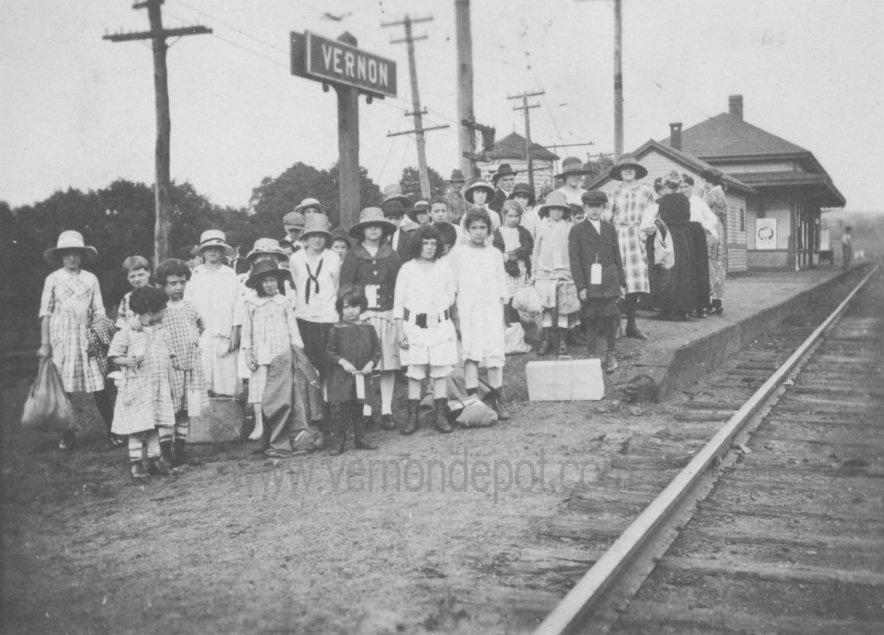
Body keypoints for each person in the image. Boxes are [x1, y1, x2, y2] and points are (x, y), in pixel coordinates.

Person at [38, 231, 115, 451]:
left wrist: (97, 335)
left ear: (82, 256)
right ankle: (68, 434)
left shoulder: (90, 278)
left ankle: (113, 431)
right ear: (60, 256)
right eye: (67, 254)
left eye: (76, 254)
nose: (71, 258)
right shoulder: (53, 279)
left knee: (99, 386)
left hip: (87, 335)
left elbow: (99, 309)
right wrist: (45, 344)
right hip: (63, 336)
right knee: (65, 389)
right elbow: (46, 312)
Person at [340, 207, 402, 430]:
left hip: (386, 315)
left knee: (387, 364)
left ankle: (386, 409)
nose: (373, 229)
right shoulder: (353, 255)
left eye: (377, 225)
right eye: (369, 225)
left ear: (383, 229)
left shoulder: (391, 254)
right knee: (365, 365)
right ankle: (366, 409)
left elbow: (400, 286)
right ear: (363, 230)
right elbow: (345, 287)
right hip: (363, 318)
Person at [394, 225, 458, 435]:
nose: (429, 247)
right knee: (415, 373)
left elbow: (451, 296)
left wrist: (443, 314)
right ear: (417, 244)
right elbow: (398, 303)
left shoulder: (445, 267)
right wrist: (400, 330)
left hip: (439, 326)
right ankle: (412, 417)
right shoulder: (407, 269)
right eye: (425, 243)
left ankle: (440, 415)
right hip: (414, 327)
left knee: (440, 372)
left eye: (433, 243)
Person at [448, 207, 510, 420]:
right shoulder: (458, 254)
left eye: (483, 227)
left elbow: (502, 286)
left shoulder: (494, 254)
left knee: (494, 353)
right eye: (474, 227)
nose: (478, 232)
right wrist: (455, 315)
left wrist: (502, 314)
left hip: (491, 309)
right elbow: (452, 287)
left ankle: (497, 397)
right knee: (471, 354)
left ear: (489, 230)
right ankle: (473, 399)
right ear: (467, 229)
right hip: (468, 309)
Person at [107, 286, 175, 479]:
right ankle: (136, 463)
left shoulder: (162, 331)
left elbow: (167, 356)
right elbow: (113, 356)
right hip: (138, 386)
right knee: (137, 427)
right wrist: (126, 361)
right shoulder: (128, 332)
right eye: (163, 308)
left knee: (154, 424)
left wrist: (170, 381)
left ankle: (154, 460)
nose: (165, 311)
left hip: (157, 386)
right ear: (152, 310)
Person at [242, 260, 304, 444]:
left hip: (281, 354)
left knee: (281, 392)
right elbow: (247, 331)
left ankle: (282, 431)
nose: (270, 284)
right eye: (265, 281)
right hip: (260, 355)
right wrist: (248, 353)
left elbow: (293, 328)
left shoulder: (283, 302)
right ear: (258, 284)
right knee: (261, 392)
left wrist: (297, 350)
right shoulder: (251, 303)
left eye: (273, 280)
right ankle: (263, 430)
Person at [154, 258, 207, 468]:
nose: (178, 287)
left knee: (186, 408)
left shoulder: (189, 307)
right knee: (170, 409)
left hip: (190, 365)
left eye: (182, 282)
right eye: (173, 283)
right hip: (170, 367)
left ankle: (181, 451)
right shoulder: (159, 310)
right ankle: (165, 452)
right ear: (163, 285)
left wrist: (193, 345)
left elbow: (201, 326)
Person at [569, 190, 626, 373]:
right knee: (591, 318)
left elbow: (617, 255)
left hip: (609, 281)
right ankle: (592, 353)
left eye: (598, 207)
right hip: (589, 282)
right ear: (584, 208)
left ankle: (611, 353)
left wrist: (622, 282)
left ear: (603, 208)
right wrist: (581, 286)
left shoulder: (609, 228)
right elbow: (575, 260)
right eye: (590, 207)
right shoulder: (577, 230)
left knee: (610, 318)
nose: (594, 210)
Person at [184, 230, 243, 397]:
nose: (212, 251)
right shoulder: (196, 275)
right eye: (208, 248)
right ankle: (201, 420)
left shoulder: (230, 274)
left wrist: (235, 331)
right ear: (202, 252)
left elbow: (238, 305)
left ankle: (227, 419)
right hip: (202, 336)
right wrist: (193, 331)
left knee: (226, 381)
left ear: (222, 251)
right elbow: (188, 306)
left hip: (224, 335)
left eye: (216, 248)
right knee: (202, 381)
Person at [325, 285, 381, 455]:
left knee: (360, 406)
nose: (350, 311)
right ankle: (339, 441)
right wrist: (343, 362)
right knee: (344, 408)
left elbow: (376, 350)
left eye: (354, 306)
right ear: (340, 308)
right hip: (344, 377)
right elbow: (330, 352)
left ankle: (360, 438)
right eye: (346, 307)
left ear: (361, 307)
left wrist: (370, 364)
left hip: (362, 375)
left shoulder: (368, 328)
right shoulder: (337, 328)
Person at [608, 153, 658, 340]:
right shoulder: (613, 194)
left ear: (636, 171)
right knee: (618, 281)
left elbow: (650, 215)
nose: (628, 170)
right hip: (618, 237)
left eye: (631, 168)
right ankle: (616, 325)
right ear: (619, 172)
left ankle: (631, 324)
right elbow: (607, 218)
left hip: (636, 238)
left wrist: (646, 232)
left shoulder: (646, 192)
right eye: (624, 168)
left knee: (634, 284)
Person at [289, 214, 340, 383]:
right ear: (306, 237)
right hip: (304, 316)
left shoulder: (333, 258)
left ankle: (327, 402)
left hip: (328, 317)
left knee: (328, 364)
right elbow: (297, 283)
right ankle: (311, 403)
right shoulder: (296, 259)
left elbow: (336, 286)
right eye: (313, 235)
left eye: (321, 236)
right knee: (307, 363)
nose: (317, 239)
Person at [653, 172, 708, 320]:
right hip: (684, 236)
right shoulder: (685, 200)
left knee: (668, 269)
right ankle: (684, 309)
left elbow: (661, 218)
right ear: (678, 186)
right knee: (684, 271)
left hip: (669, 235)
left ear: (667, 186)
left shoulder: (662, 201)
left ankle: (667, 308)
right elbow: (687, 216)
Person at [532, 192, 580, 355]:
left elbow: (574, 252)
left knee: (563, 305)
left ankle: (562, 340)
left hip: (564, 272)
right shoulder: (541, 226)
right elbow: (536, 250)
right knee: (545, 306)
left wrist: (574, 272)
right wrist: (534, 272)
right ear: (547, 210)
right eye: (553, 209)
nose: (556, 212)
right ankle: (545, 340)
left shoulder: (569, 227)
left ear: (565, 211)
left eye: (560, 209)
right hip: (544, 272)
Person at [679, 174, 717, 317]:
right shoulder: (678, 202)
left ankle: (702, 307)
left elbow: (712, 218)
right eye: (681, 187)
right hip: (682, 235)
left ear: (692, 187)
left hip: (696, 234)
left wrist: (705, 228)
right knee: (686, 271)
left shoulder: (699, 202)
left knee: (700, 270)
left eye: (686, 187)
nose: (683, 189)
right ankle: (687, 307)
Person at [493, 199, 534, 325]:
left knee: (522, 299)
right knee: (509, 300)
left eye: (516, 216)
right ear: (503, 215)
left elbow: (527, 247)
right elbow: (498, 252)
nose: (513, 219)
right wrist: (508, 262)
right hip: (506, 271)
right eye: (510, 216)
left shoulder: (523, 232)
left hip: (522, 269)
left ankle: (526, 329)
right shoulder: (498, 232)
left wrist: (510, 255)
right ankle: (512, 326)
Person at [701, 168, 728, 315]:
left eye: (704, 180)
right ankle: (716, 300)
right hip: (717, 228)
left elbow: (702, 206)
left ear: (708, 180)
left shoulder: (714, 193)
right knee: (716, 264)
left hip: (712, 228)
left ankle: (713, 300)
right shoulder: (719, 192)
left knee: (712, 263)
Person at [381, 184, 418, 261]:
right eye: (390, 218)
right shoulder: (378, 235)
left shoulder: (412, 231)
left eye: (398, 201)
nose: (393, 222)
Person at [115, 255, 152, 330]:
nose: (137, 279)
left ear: (148, 273)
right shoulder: (127, 298)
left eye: (140, 275)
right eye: (132, 276)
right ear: (127, 278)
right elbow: (120, 322)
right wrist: (128, 321)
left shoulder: (159, 294)